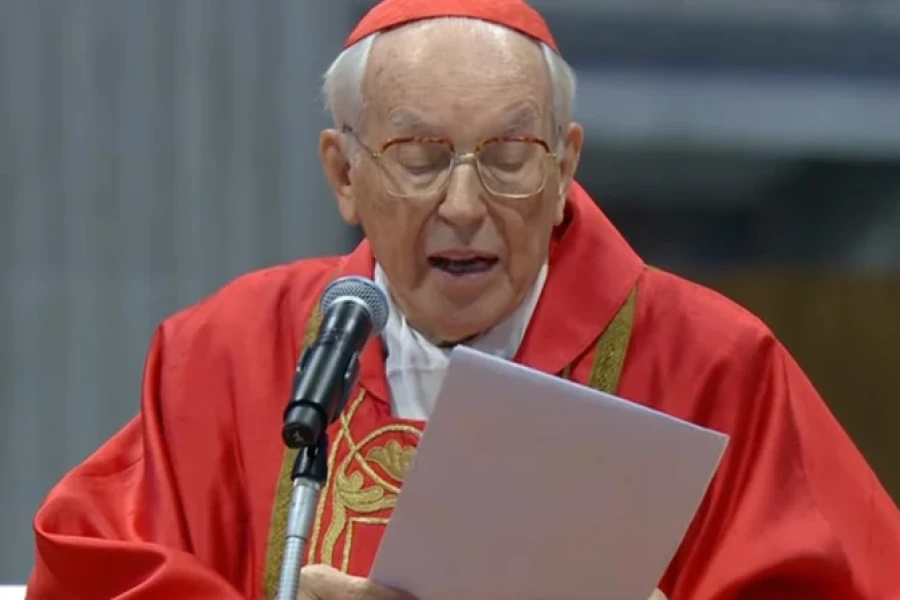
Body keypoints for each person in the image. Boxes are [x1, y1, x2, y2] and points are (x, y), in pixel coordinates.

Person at [27, 0, 900, 598]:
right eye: (419, 156)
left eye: (509, 157)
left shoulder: (710, 362)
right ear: (343, 173)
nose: (463, 204)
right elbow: (91, 570)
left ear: (565, 167)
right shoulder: (230, 352)